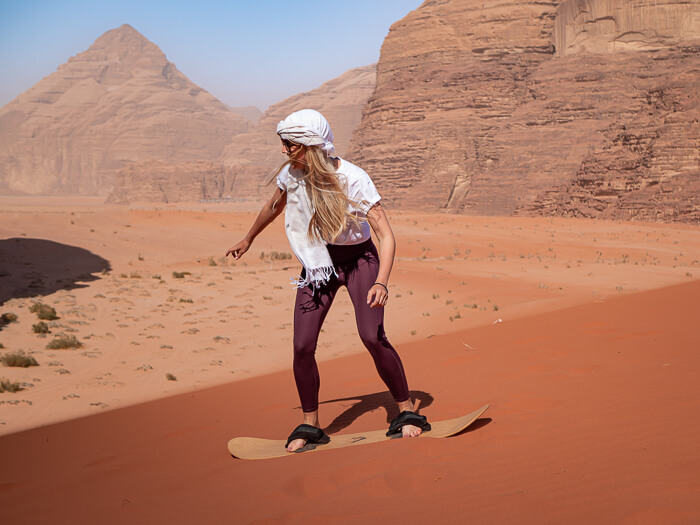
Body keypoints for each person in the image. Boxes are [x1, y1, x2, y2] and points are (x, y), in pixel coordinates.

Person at [226, 109, 430, 452]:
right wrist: (249, 238)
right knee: (302, 346)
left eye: (290, 144)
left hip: (360, 260)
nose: (284, 150)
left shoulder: (353, 178)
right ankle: (311, 425)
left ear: (310, 145)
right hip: (319, 262)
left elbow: (387, 236)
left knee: (372, 337)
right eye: (283, 143)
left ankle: (406, 411)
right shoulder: (293, 175)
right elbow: (273, 205)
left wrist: (381, 282)